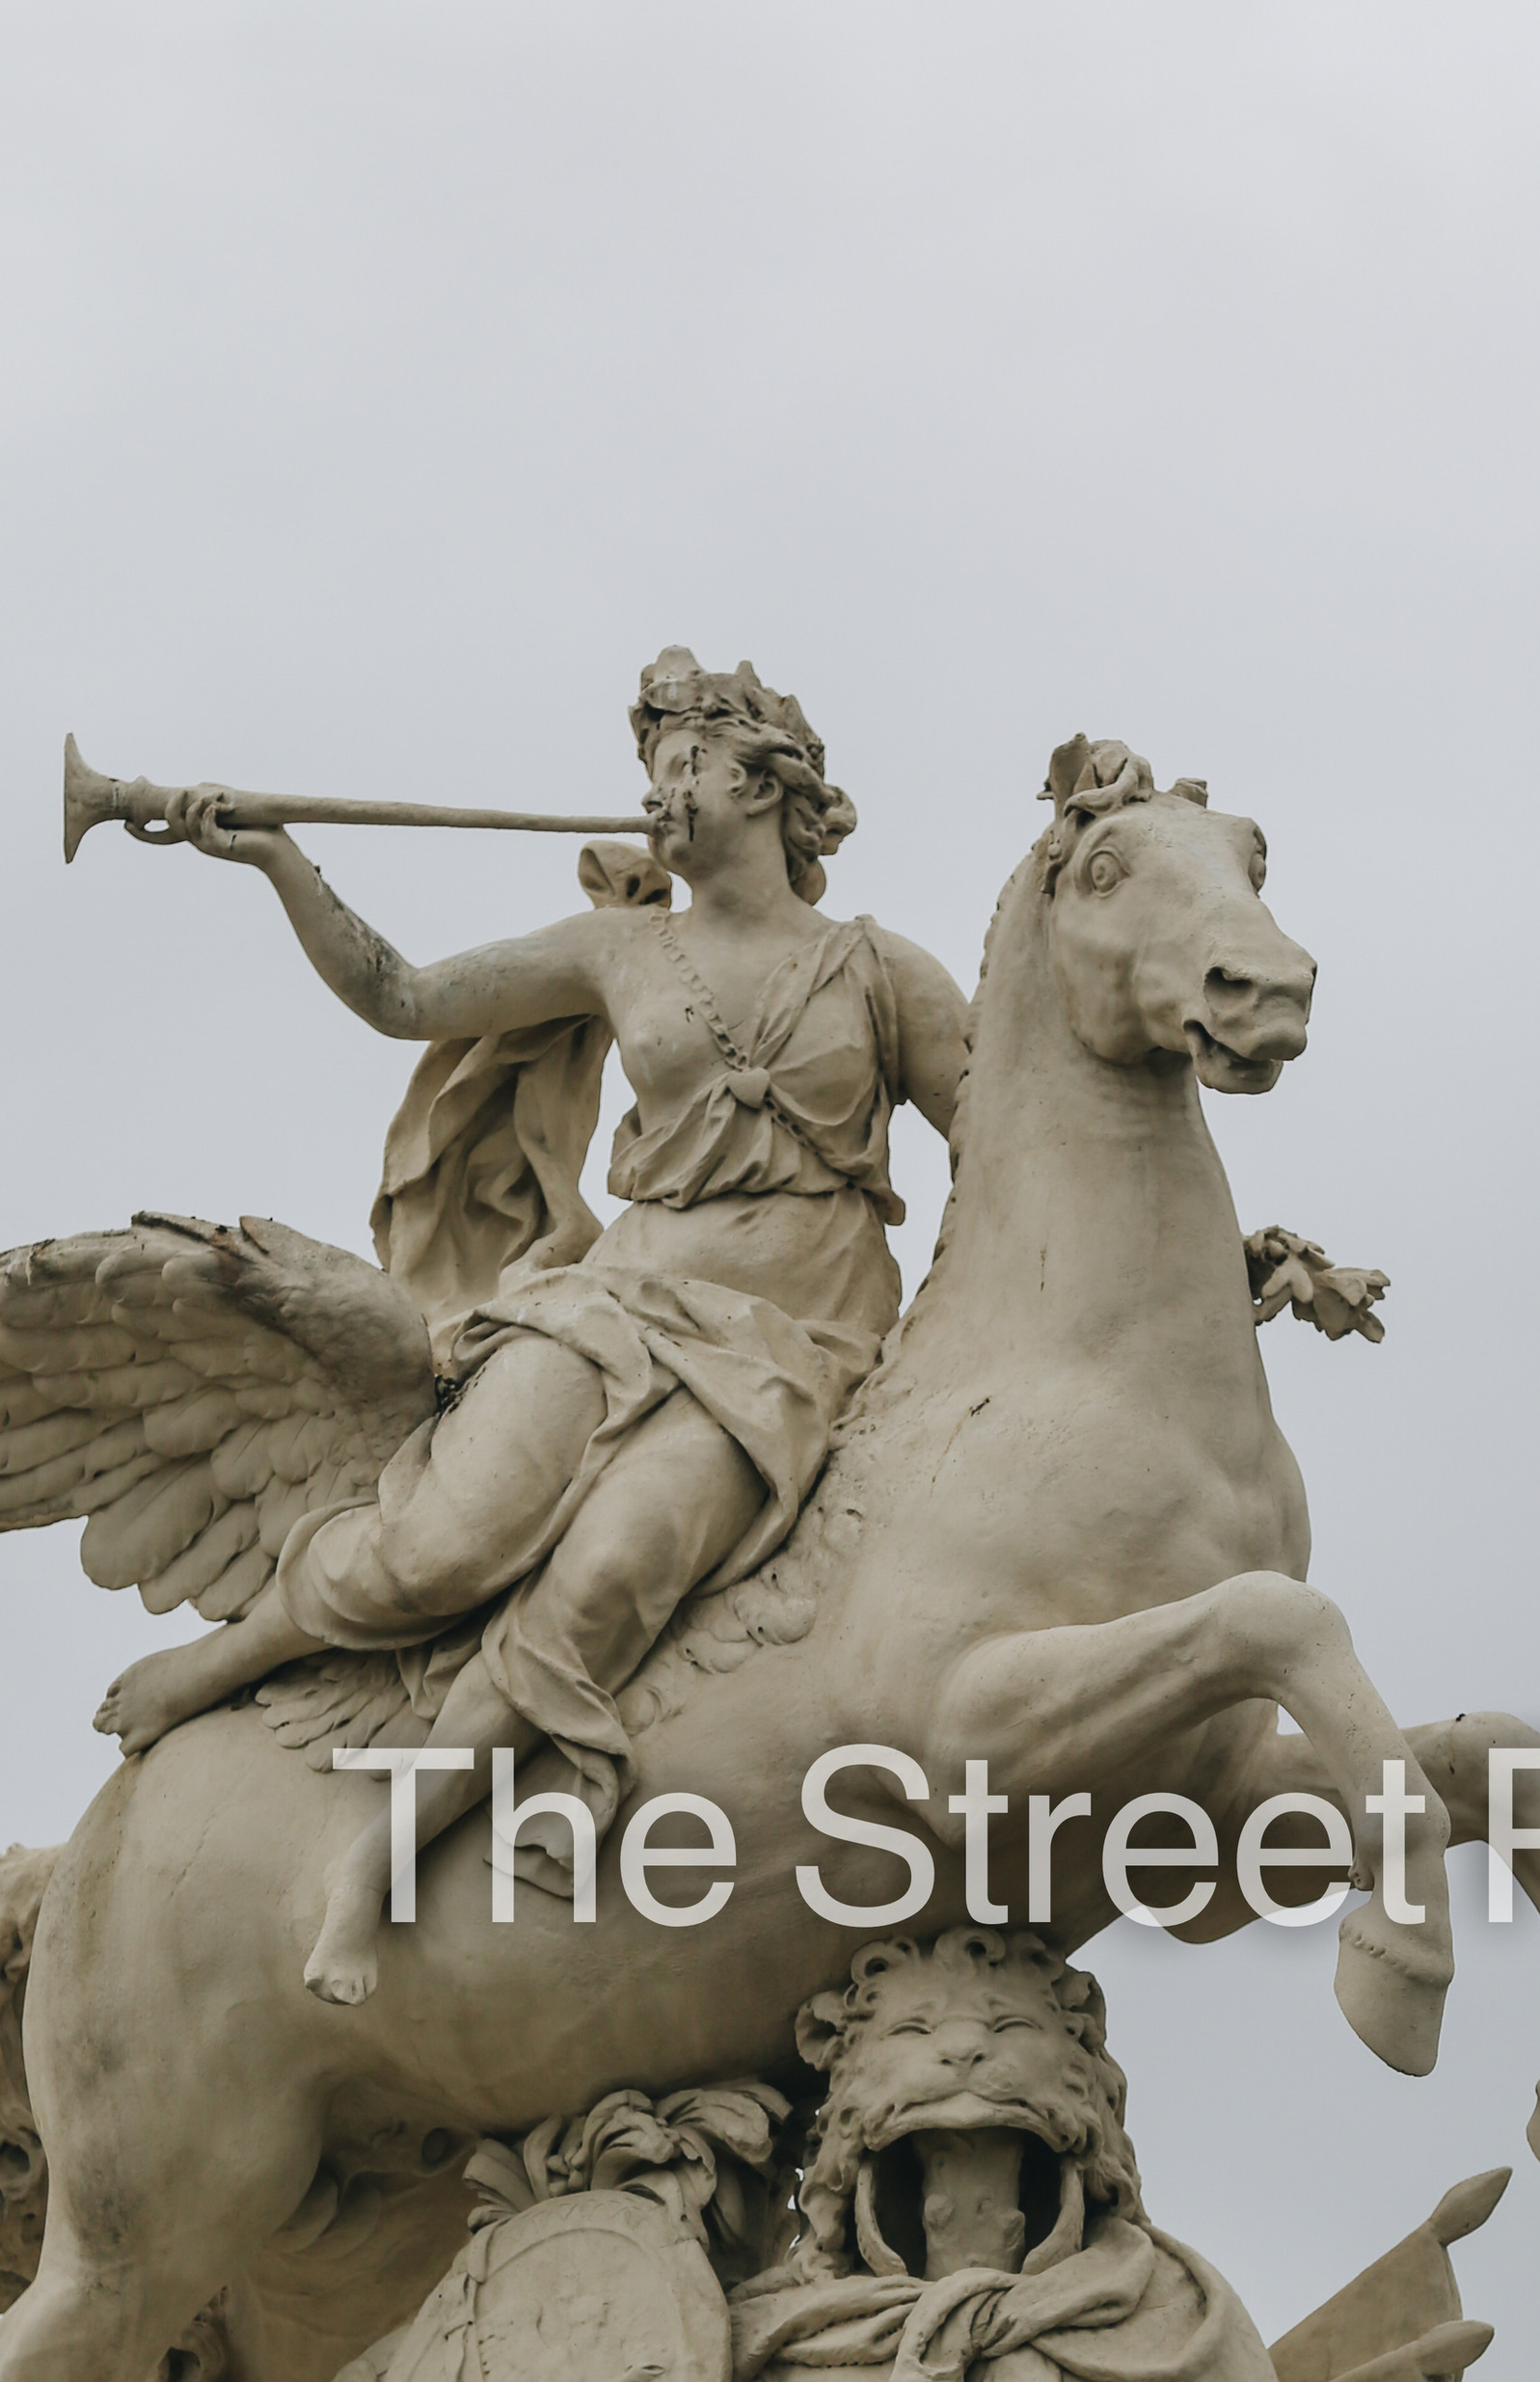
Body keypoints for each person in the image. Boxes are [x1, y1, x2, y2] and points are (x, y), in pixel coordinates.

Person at [94, 649, 972, 2002]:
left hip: (788, 1345)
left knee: (609, 1577)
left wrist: (1224, 1248)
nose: (659, 799)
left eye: (683, 769)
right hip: (617, 1305)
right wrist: (273, 861)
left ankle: (381, 1858)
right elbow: (404, 998)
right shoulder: (620, 950)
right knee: (441, 1544)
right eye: (651, 776)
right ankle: (229, 1656)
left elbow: (1012, 1142)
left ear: (763, 783)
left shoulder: (879, 974)